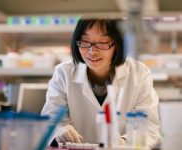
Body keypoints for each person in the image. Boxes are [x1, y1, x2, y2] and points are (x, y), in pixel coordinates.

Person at [41, 18, 160, 148]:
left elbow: (149, 126)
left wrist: (123, 143)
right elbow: (50, 121)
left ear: (118, 43)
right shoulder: (64, 73)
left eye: (103, 42)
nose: (92, 51)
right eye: (85, 41)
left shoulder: (138, 73)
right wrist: (59, 130)